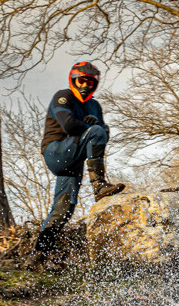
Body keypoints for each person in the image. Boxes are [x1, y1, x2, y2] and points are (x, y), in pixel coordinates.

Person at [28, 62, 125, 266]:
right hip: (56, 151)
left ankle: (38, 255)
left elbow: (104, 134)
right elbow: (69, 125)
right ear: (73, 80)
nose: (85, 86)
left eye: (90, 83)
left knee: (64, 208)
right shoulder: (63, 96)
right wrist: (90, 128)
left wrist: (97, 129)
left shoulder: (95, 106)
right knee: (96, 131)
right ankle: (98, 185)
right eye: (82, 81)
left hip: (74, 159)